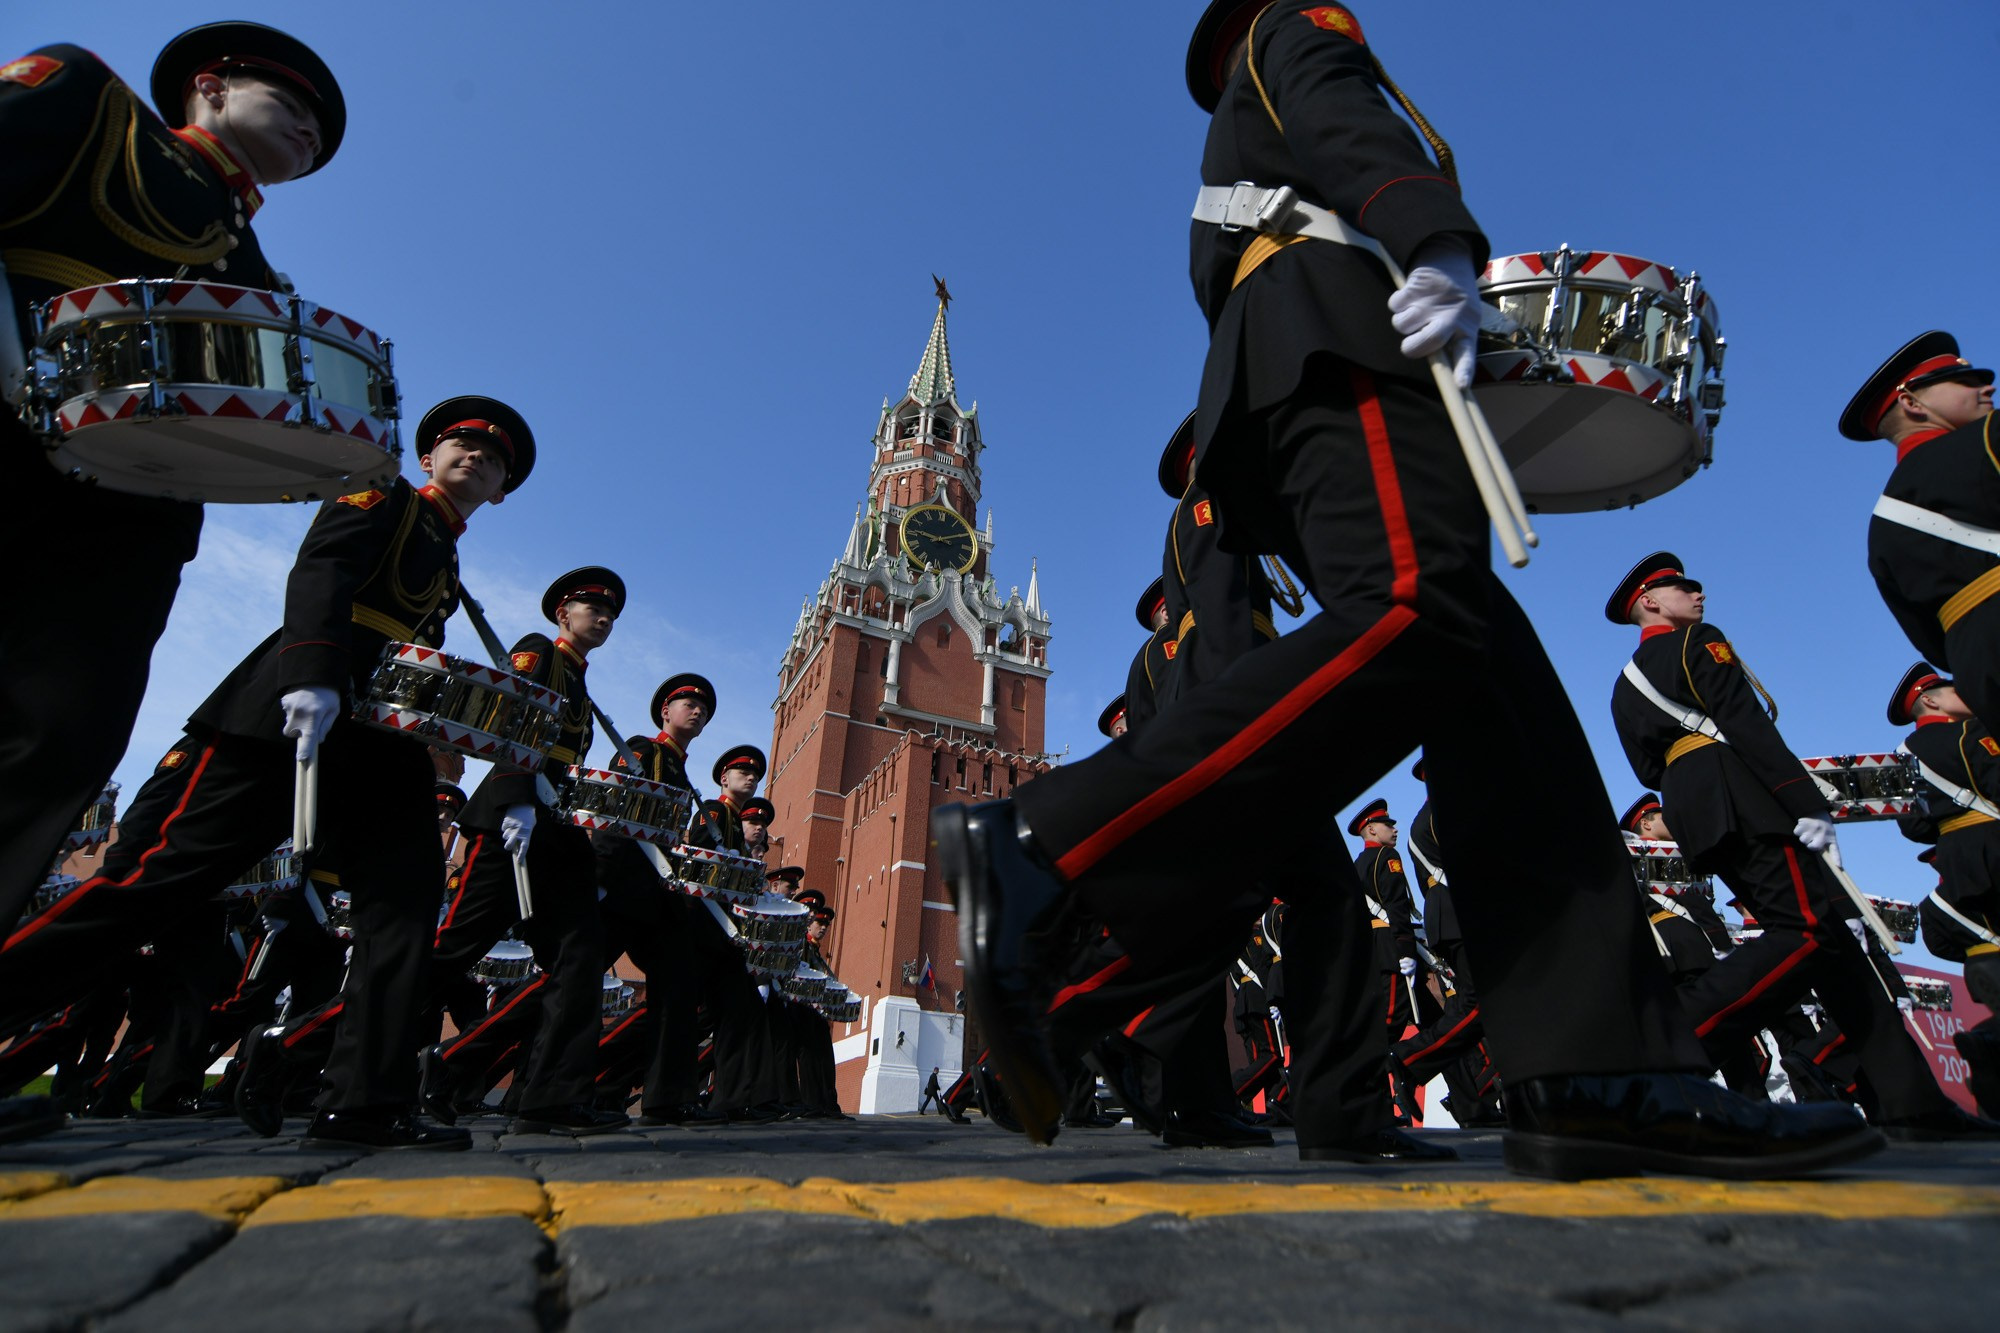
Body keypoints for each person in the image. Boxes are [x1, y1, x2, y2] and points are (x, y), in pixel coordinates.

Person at [931, 1, 1880, 1178]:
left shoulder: (1244, 133)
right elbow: (1341, 119)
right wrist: (1431, 236)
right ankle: (1038, 840)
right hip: (1337, 336)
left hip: (1317, 344)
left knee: (1505, 708)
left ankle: (1594, 1070)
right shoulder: (1292, 32)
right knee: (1417, 610)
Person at [1, 395, 531, 1151]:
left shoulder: (447, 552)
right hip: (295, 712)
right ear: (428, 458)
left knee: (405, 908)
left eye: (495, 458)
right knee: (159, 881)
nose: (476, 456)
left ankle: (364, 1102)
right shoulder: (380, 492)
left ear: (502, 492)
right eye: (462, 444)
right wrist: (311, 672)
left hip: (380, 737)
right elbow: (323, 566)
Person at [0, 27, 344, 1146]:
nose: (310, 129)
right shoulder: (88, 100)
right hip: (10, 442)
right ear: (208, 86)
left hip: (126, 521)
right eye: (292, 102)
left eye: (320, 129)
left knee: (55, 746)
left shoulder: (257, 274)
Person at [1609, 552, 1988, 1139]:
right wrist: (1803, 801)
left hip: (1701, 808)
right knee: (1806, 932)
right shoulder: (1699, 642)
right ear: (1651, 602)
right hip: (1746, 798)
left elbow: (1646, 769)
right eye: (1685, 587)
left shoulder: (1622, 687)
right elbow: (1745, 722)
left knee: (1840, 956)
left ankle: (1913, 1105)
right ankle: (1663, 1046)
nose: (1699, 594)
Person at [427, 567, 630, 1137]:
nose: (604, 618)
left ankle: (550, 1097)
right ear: (564, 613)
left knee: (580, 957)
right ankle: (298, 1046)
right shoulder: (540, 652)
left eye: (611, 613)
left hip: (555, 832)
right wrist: (516, 795)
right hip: (510, 825)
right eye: (594, 608)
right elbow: (513, 718)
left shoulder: (581, 684)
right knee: (452, 951)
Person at [1841, 333, 2000, 728]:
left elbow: (1934, 645)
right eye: (1966, 382)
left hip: (1981, 675)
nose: (1988, 387)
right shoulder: (1989, 438)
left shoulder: (1879, 532)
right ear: (1912, 403)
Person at [1891, 663, 2000, 1115]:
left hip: (1955, 861)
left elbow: (1914, 828)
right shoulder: (1973, 731)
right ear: (1931, 699)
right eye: (1953, 689)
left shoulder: (1901, 758)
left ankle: (1989, 1051)